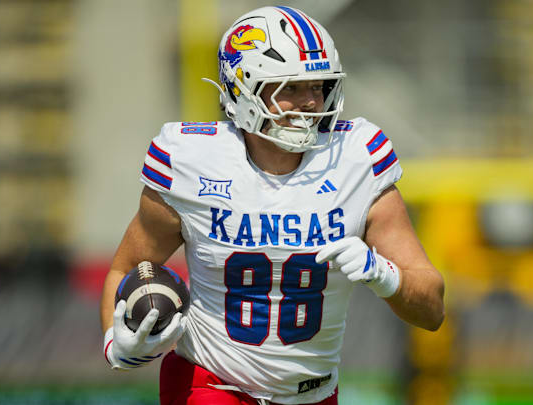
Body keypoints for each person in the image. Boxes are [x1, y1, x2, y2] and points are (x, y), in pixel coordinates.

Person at [100, 6, 445, 405]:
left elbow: (433, 310)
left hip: (314, 395)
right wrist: (116, 342)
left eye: (317, 86)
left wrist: (382, 275)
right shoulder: (192, 160)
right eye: (290, 88)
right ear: (242, 89)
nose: (310, 102)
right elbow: (127, 267)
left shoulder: (357, 159)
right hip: (211, 384)